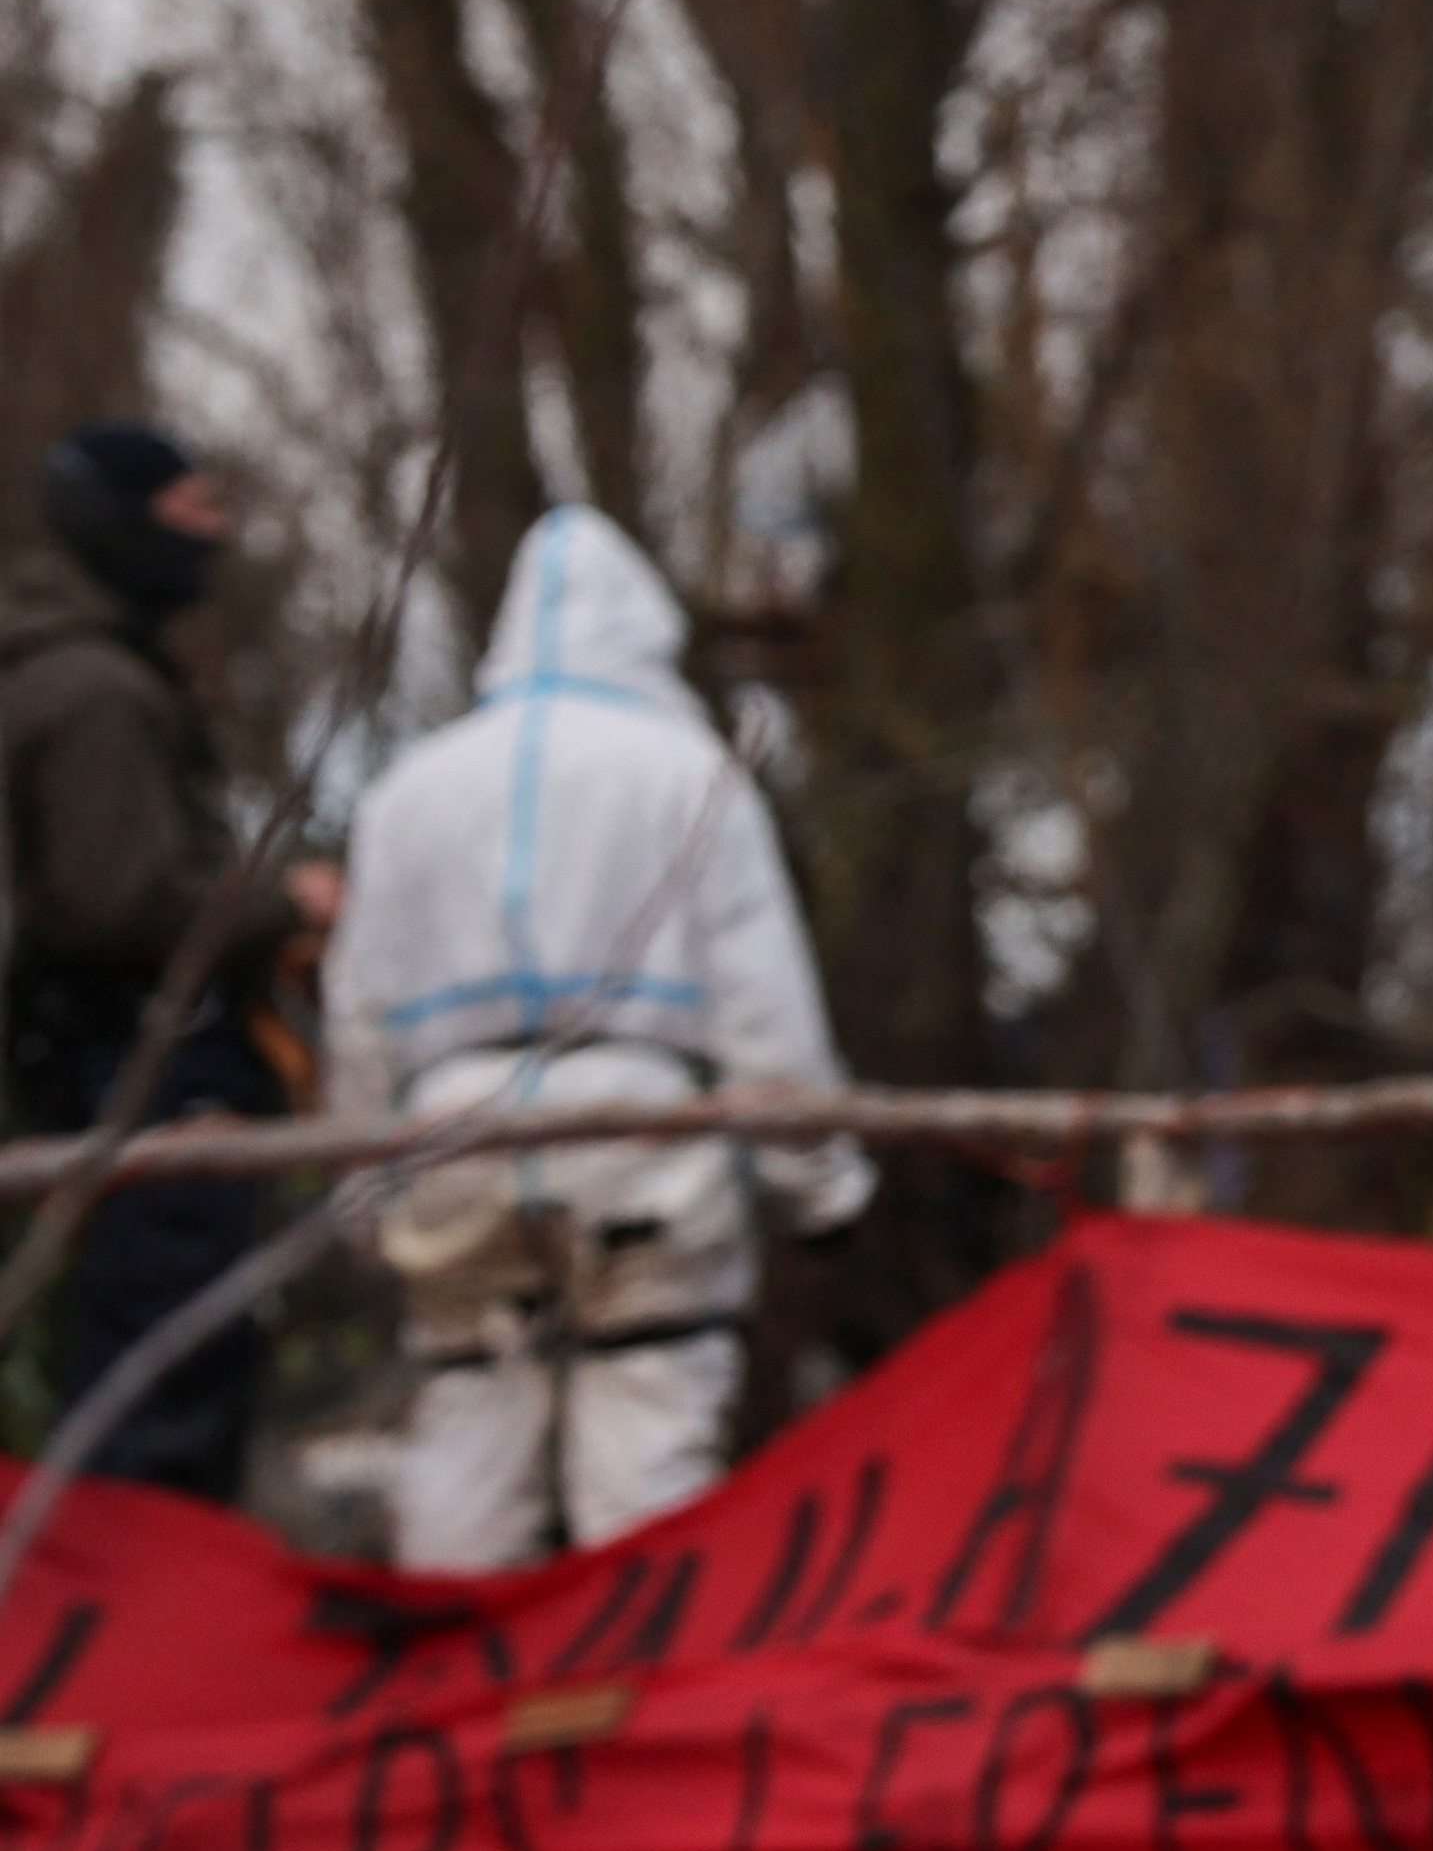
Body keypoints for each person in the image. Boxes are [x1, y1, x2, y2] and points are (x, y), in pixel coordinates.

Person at [324, 508, 869, 1568]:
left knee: (468, 1438)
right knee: (648, 1444)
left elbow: (360, 1012)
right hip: (642, 1148)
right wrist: (820, 1182)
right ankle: (635, 1698)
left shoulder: (408, 792)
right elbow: (764, 1003)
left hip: (454, 1143)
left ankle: (457, 1700)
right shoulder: (687, 771)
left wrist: (356, 1188)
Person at [0, 425, 333, 1501]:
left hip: (112, 1066)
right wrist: (289, 901)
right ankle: (148, 1638)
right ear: (121, 520)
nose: (218, 532)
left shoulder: (74, 666)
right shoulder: (94, 690)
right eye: (193, 509)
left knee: (151, 1373)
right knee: (163, 1388)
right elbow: (120, 899)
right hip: (153, 1071)